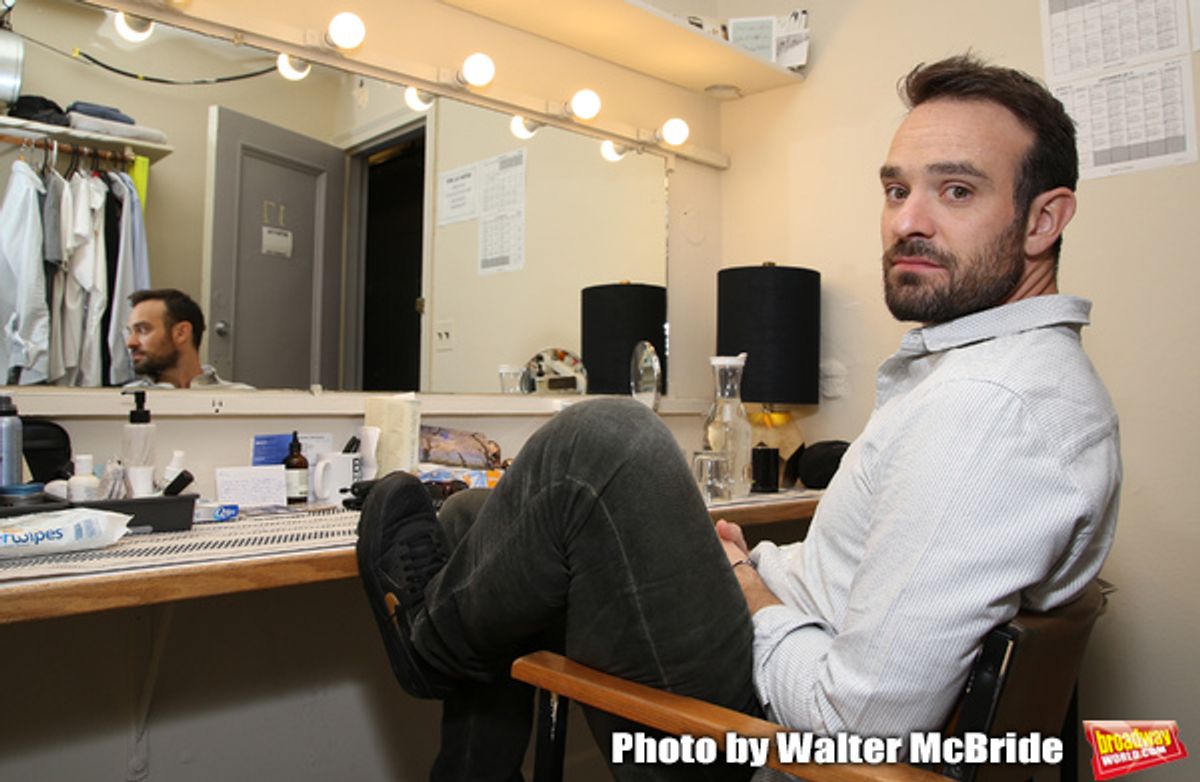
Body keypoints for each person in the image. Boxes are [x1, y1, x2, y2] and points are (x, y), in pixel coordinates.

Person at [355, 54, 1121, 781]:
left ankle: (428, 649)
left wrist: (747, 588)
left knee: (605, 445)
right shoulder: (995, 380)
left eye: (956, 191)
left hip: (763, 744)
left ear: (1042, 220)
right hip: (777, 661)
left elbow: (858, 728)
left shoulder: (990, 409)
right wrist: (756, 567)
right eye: (896, 191)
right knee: (487, 522)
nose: (905, 223)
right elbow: (859, 592)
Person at [124, 288, 252, 389]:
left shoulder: (242, 399)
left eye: (142, 330)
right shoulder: (123, 401)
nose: (130, 343)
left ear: (181, 333)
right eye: (130, 332)